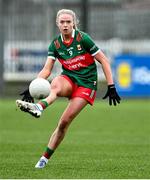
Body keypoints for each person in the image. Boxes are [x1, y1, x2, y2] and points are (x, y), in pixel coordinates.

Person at [16, 9, 121, 169]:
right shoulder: (56, 44)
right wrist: (34, 84)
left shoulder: (82, 38)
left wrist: (111, 86)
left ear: (74, 23)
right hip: (69, 79)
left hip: (86, 84)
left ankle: (44, 159)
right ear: (57, 24)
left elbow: (104, 61)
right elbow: (46, 70)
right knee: (56, 84)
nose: (65, 25)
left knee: (64, 122)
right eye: (62, 22)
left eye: (68, 22)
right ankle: (39, 107)